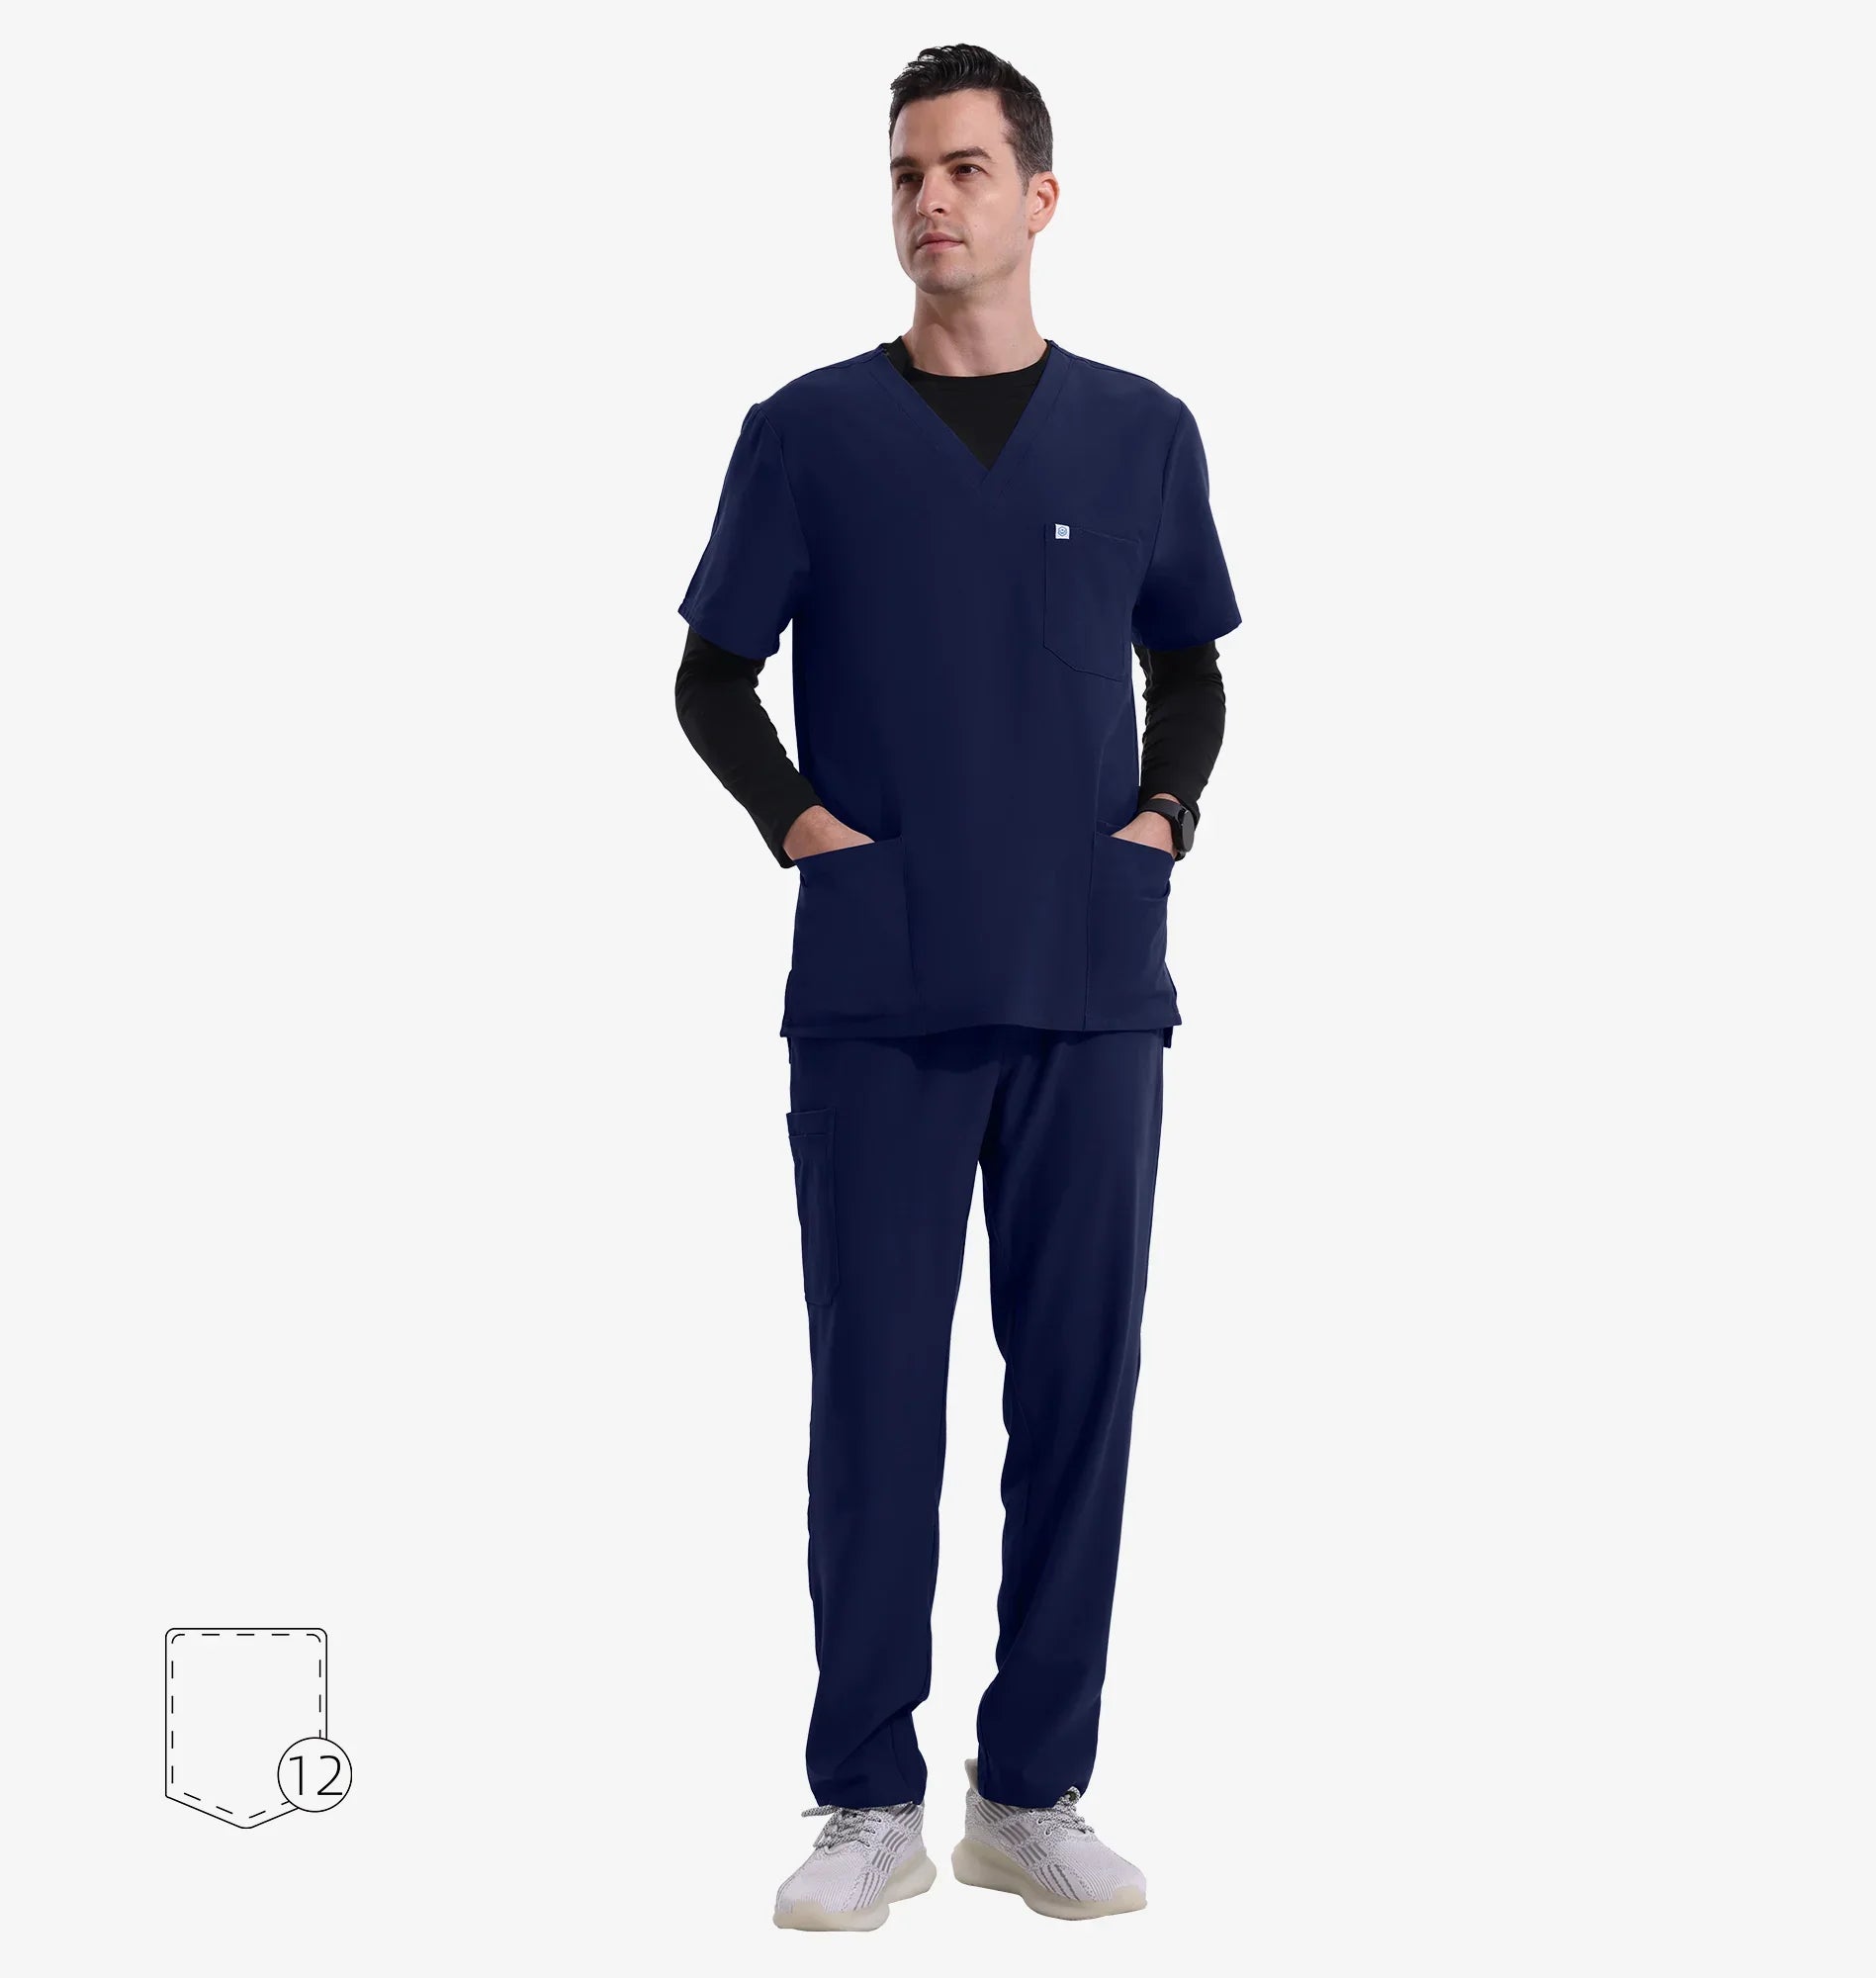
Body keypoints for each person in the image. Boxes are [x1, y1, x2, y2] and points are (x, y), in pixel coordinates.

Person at [675, 44, 1239, 1932]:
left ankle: (1033, 1790)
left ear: (1040, 198)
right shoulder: (809, 433)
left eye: (968, 169)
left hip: (1091, 983)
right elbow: (710, 674)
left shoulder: (1142, 432)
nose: (933, 199)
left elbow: (1194, 667)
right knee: (877, 1403)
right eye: (909, 172)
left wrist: (1162, 817)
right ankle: (866, 1801)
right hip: (882, 990)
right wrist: (801, 827)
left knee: (1079, 1393)